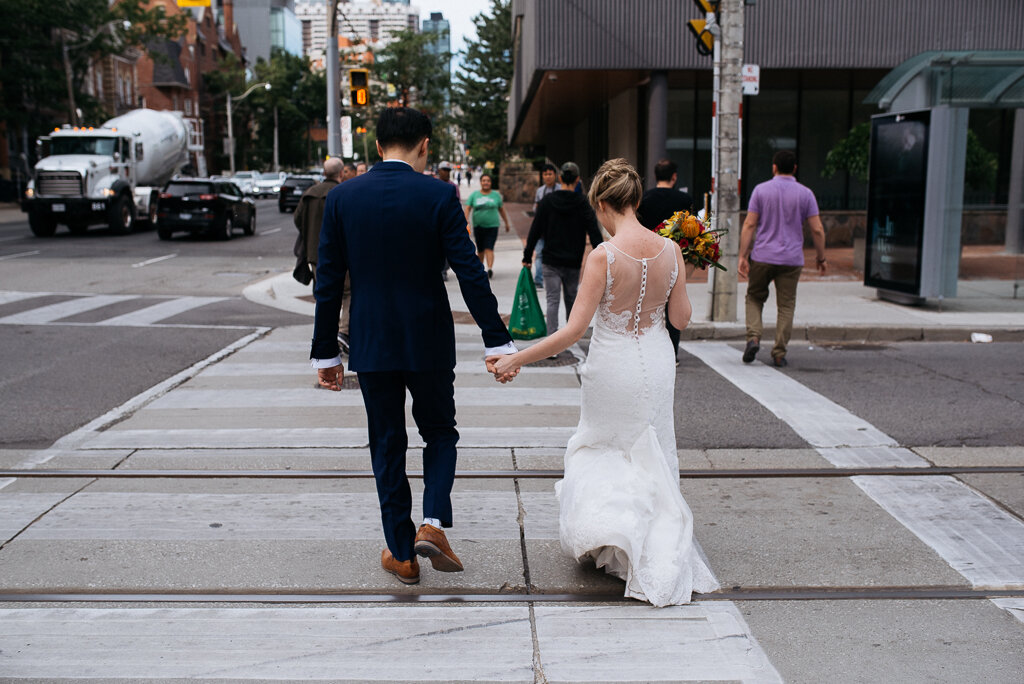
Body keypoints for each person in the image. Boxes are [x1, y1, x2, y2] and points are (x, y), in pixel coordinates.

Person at [494, 158, 719, 606]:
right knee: (652, 446)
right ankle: (653, 539)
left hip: (613, 366)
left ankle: (616, 537)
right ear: (635, 199)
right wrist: (685, 270)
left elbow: (572, 331)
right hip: (656, 361)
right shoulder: (671, 251)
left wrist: (515, 356)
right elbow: (681, 319)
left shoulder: (604, 256)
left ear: (601, 203)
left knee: (605, 446)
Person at [311, 107, 519, 586]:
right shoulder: (440, 194)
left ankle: (402, 554)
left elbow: (329, 281)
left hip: (372, 341)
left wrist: (327, 352)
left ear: (378, 146)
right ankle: (434, 522)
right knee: (440, 433)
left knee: (387, 443)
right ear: (425, 145)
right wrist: (496, 339)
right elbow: (469, 269)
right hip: (427, 337)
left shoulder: (343, 198)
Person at [738, 149, 827, 368]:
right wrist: (821, 257)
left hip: (762, 256)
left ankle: (754, 337)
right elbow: (817, 229)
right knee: (786, 305)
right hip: (791, 258)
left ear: (774, 167)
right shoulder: (806, 193)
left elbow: (750, 224)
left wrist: (742, 255)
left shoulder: (761, 190)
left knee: (755, 297)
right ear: (795, 168)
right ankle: (779, 353)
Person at [523, 161, 603, 336]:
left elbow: (535, 230)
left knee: (552, 300)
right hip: (573, 261)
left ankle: (552, 339)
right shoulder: (583, 203)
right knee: (571, 299)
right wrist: (603, 254)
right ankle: (570, 336)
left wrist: (527, 256)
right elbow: (594, 231)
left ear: (560, 178)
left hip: (550, 260)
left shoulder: (547, 201)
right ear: (578, 180)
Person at [637, 159, 694, 364]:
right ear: (674, 177)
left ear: (655, 176)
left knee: (647, 304)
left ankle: (646, 347)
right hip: (673, 257)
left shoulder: (644, 199)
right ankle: (672, 352)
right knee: (673, 305)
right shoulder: (684, 199)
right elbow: (692, 229)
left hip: (647, 257)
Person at [294, 158, 349, 350]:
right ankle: (343, 332)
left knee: (326, 294)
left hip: (315, 253)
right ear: (341, 173)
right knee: (349, 293)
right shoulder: (342, 193)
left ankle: (327, 335)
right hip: (341, 252)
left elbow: (298, 219)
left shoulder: (309, 194)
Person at [464, 173, 511, 278]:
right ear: (480, 182)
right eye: (484, 180)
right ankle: (481, 269)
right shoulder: (474, 195)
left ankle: (489, 269)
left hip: (492, 226)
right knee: (480, 249)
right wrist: (465, 221)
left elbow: (501, 210)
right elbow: (468, 208)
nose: (486, 183)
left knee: (489, 247)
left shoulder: (496, 195)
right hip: (478, 226)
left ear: (491, 183)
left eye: (488, 181)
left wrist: (507, 223)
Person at [531, 163, 559, 289]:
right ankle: (538, 280)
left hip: (556, 229)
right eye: (545, 174)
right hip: (541, 229)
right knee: (539, 254)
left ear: (555, 175)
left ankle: (556, 279)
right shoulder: (540, 191)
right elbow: (535, 208)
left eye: (550, 174)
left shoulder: (560, 189)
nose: (548, 177)